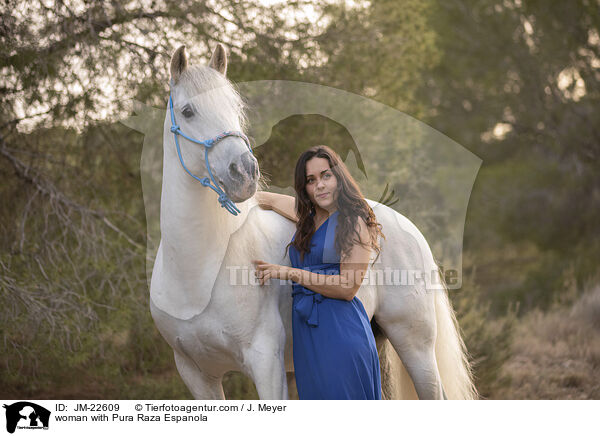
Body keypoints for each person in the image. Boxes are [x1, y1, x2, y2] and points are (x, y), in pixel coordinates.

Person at [252, 145, 385, 400]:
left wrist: (290, 273)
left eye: (326, 175)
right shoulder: (307, 219)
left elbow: (348, 288)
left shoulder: (354, 222)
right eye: (311, 181)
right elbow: (265, 199)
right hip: (308, 339)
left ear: (339, 178)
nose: (320, 185)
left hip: (341, 335)